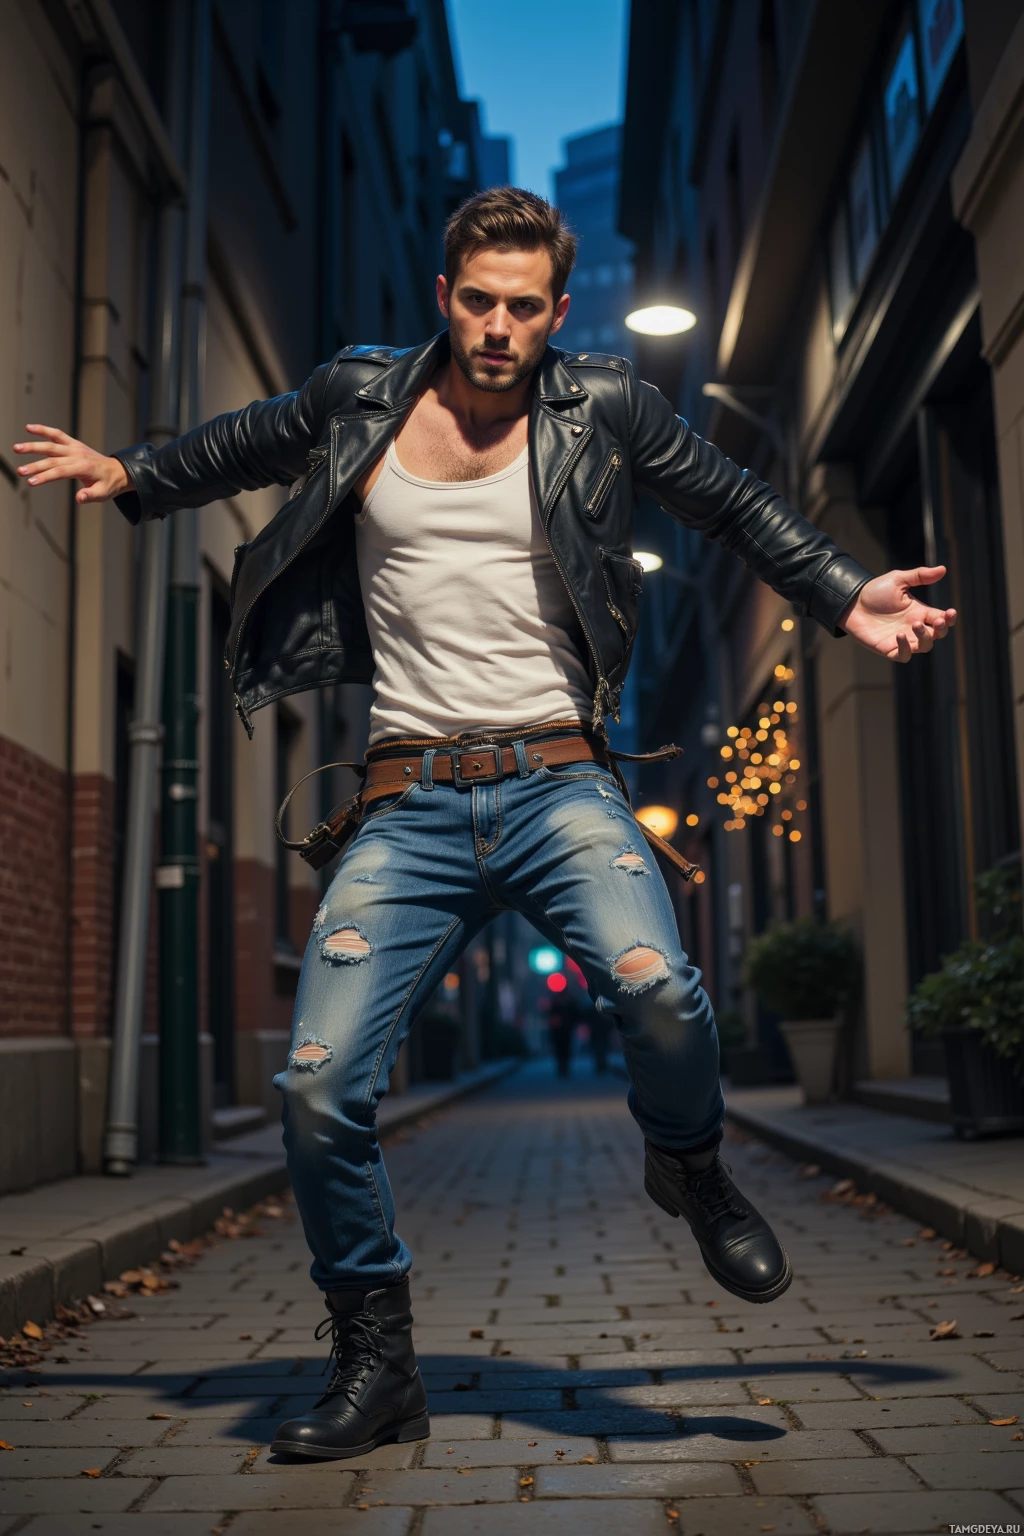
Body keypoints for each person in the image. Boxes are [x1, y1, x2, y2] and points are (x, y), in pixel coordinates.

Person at [15, 186, 956, 1461]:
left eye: (525, 307)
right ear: (445, 295)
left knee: (661, 991)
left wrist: (843, 590)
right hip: (404, 801)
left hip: (559, 783)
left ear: (557, 310)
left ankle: (687, 1162)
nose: (499, 327)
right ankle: (376, 1356)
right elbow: (245, 441)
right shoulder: (360, 395)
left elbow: (731, 500)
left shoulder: (604, 405)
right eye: (477, 301)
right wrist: (131, 473)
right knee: (316, 1089)